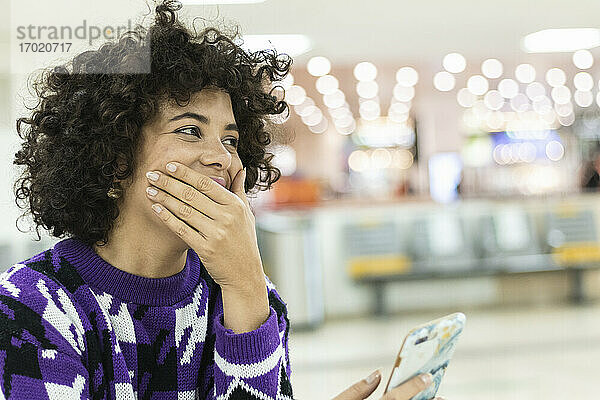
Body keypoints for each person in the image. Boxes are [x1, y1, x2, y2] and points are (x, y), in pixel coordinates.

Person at [0, 1, 445, 399]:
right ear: (114, 158)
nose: (220, 157)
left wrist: (247, 288)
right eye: (190, 130)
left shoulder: (247, 295)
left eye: (231, 140)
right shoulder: (31, 306)